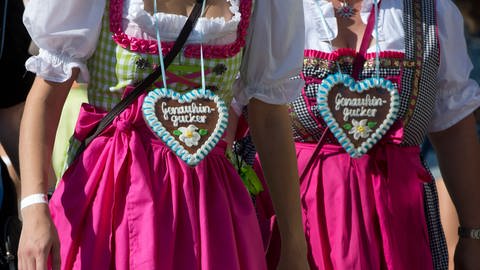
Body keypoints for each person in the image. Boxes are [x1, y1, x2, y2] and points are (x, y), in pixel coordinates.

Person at [18, 0, 309, 269]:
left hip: (210, 207)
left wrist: (294, 244)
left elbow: (269, 116)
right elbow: (46, 94)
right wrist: (33, 208)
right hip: (113, 195)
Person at [251, 0, 480, 269]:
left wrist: (472, 234)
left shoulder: (431, 12)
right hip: (299, 218)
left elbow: (453, 127)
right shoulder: (274, 9)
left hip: (398, 227)